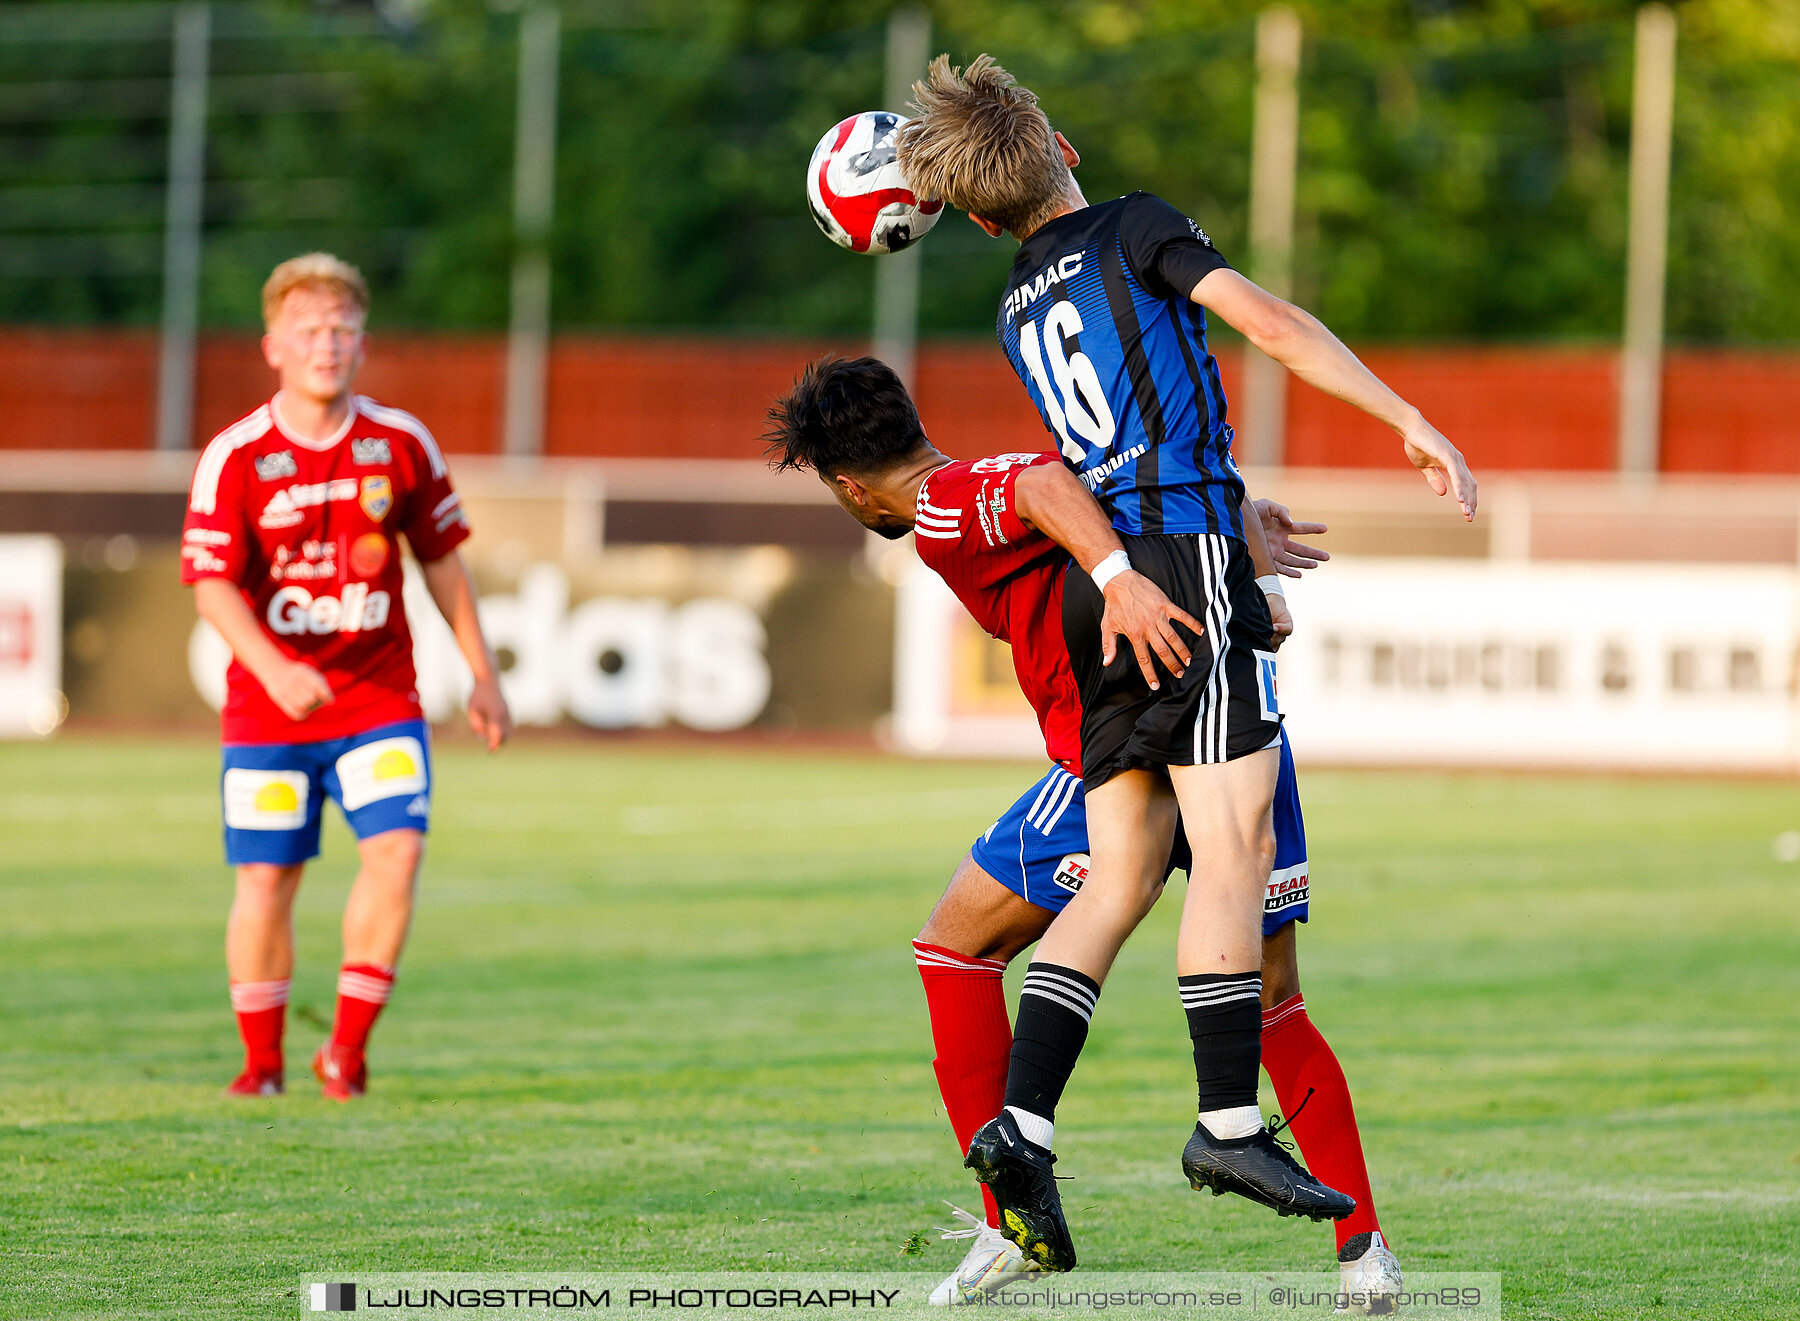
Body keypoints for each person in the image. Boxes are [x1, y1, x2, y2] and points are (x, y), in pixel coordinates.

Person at [896, 56, 1478, 1266]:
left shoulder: (1013, 302)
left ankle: (1019, 1119)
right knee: (1239, 838)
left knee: (1114, 875)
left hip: (1097, 590)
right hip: (1183, 568)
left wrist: (1226, 505)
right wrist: (1404, 416)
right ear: (1051, 138)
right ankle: (1224, 1122)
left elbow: (1108, 436)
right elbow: (1265, 321)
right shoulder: (1137, 226)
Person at [765, 356, 1402, 1312]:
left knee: (955, 947)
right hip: (1236, 726)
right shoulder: (1029, 472)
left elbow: (1039, 486)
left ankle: (1014, 1213)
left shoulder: (947, 500)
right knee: (1273, 1001)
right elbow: (1138, 499)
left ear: (847, 484)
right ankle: (1365, 1258)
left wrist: (1119, 576)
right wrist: (1232, 539)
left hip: (1121, 752)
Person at [180, 253, 511, 1101]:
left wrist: (482, 673)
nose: (326, 344)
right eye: (308, 330)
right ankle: (261, 1064)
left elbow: (441, 561)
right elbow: (211, 583)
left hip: (378, 698)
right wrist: (274, 666)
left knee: (397, 852)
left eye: (341, 328)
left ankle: (347, 1051)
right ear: (273, 347)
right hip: (267, 709)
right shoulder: (237, 455)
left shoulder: (400, 442)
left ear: (362, 342)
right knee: (266, 879)